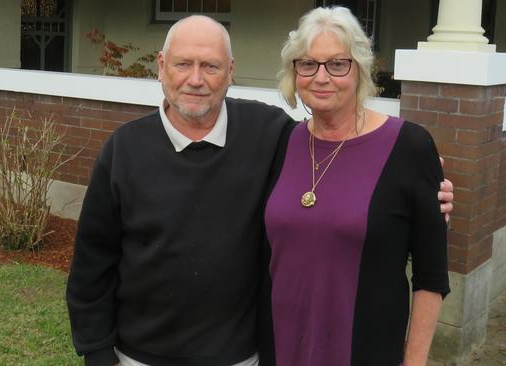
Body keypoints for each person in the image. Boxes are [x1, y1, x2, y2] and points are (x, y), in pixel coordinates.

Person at [66, 14, 454, 366]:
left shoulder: (269, 134)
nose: (196, 79)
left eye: (211, 66)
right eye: (184, 64)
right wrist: (98, 352)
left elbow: (424, 263)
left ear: (230, 71)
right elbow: (91, 264)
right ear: (162, 68)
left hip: (255, 356)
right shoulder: (126, 150)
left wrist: (430, 198)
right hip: (151, 356)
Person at [259, 7, 450, 366]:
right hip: (280, 346)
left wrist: (414, 362)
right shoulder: (283, 142)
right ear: (294, 72)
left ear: (360, 68)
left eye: (337, 64)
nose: (321, 77)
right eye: (308, 64)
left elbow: (432, 275)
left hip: (366, 350)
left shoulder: (409, 147)